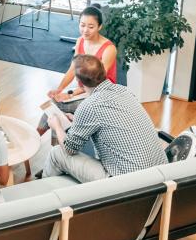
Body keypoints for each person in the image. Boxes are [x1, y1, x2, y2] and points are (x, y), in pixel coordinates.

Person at [42, 55, 167, 183]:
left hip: (128, 183)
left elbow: (69, 149)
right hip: (160, 175)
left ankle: (45, 196)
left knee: (56, 153)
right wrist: (76, 119)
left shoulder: (89, 105)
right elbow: (113, 121)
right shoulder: (125, 91)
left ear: (79, 83)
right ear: (103, 71)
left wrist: (56, 126)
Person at [37, 5, 117, 136]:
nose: (85, 30)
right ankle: (52, 145)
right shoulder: (80, 41)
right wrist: (59, 89)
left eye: (91, 27)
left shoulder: (109, 49)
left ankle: (39, 138)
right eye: (82, 25)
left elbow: (95, 82)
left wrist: (71, 94)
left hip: (101, 96)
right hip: (85, 92)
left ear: (100, 27)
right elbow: (72, 70)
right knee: (55, 104)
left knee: (56, 106)